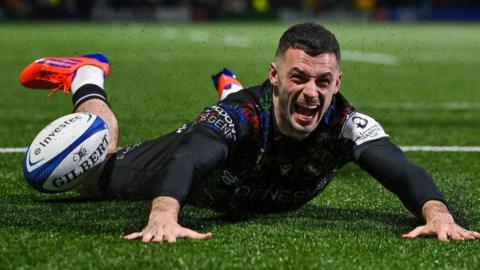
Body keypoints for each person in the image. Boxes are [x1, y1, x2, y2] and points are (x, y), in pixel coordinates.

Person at [19, 23, 480, 243]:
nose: (313, 92)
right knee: (90, 171)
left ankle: (229, 86)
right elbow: (191, 157)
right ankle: (87, 78)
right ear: (275, 75)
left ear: (338, 83)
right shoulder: (239, 118)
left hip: (249, 159)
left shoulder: (345, 123)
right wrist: (164, 212)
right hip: (192, 163)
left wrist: (437, 214)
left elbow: (402, 169)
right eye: (298, 77)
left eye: (323, 82)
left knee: (254, 124)